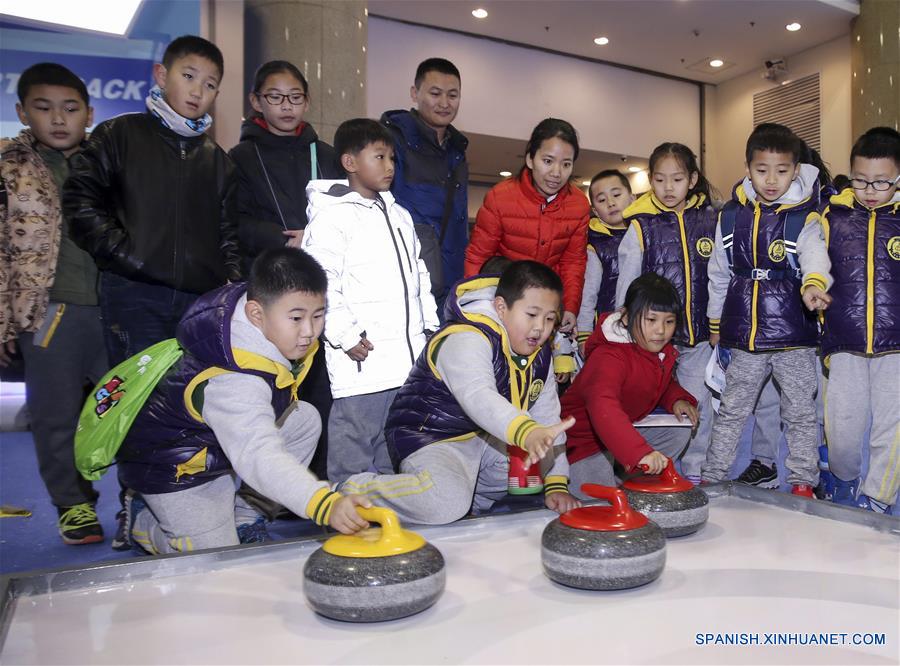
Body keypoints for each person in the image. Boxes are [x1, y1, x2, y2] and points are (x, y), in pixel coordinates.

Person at [63, 34, 241, 549]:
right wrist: (127, 255)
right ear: (161, 75)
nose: (198, 92)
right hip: (133, 295)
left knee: (191, 405)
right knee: (137, 407)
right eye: (189, 77)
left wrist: (226, 287)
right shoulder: (118, 135)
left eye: (210, 85)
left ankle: (190, 503)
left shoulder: (218, 160)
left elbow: (229, 238)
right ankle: (134, 506)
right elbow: (80, 201)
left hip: (198, 305)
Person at [116, 248, 372, 554]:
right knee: (215, 561)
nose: (309, 332)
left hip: (216, 444)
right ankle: (145, 522)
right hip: (173, 467)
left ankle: (246, 516)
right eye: (296, 318)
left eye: (318, 316)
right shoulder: (234, 379)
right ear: (255, 314)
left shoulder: (263, 316)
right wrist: (322, 503)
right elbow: (257, 453)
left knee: (303, 419)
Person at [339, 261, 581, 524]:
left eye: (549, 319)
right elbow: (479, 396)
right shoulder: (466, 337)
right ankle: (354, 489)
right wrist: (525, 431)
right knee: (444, 502)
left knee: (521, 467)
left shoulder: (540, 354)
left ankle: (470, 505)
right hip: (431, 438)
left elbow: (547, 418)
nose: (540, 328)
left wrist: (556, 483)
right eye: (531, 315)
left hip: (483, 438)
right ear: (501, 308)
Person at [0, 63, 108, 544]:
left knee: (126, 408)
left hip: (113, 307)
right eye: (44, 109)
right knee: (55, 414)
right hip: (47, 310)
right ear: (23, 112)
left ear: (89, 113)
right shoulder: (9, 166)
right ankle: (74, 504)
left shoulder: (108, 161)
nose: (58, 119)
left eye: (70, 109)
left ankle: (138, 496)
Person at [301, 118, 439, 485]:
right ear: (349, 162)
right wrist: (345, 336)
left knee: (394, 448)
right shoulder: (332, 217)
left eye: (392, 158)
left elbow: (419, 275)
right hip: (362, 358)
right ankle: (346, 520)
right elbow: (321, 281)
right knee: (353, 447)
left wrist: (429, 328)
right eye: (379, 157)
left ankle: (388, 519)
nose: (389, 166)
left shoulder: (400, 216)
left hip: (405, 361)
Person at [703, 123, 832, 496]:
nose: (771, 180)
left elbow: (814, 257)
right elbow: (719, 272)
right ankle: (712, 478)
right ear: (748, 168)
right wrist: (716, 323)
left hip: (794, 335)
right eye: (762, 170)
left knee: (800, 413)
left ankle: (803, 483)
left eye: (781, 171)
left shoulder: (803, 217)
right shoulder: (730, 217)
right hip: (745, 336)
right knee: (731, 411)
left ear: (795, 170)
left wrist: (813, 285)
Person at [228, 59, 339, 482]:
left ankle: (316, 481)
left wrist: (317, 234)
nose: (286, 107)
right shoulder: (239, 157)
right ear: (257, 101)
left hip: (319, 287)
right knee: (269, 385)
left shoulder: (326, 156)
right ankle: (264, 485)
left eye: (295, 98)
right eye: (275, 98)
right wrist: (280, 236)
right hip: (269, 286)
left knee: (319, 386)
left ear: (307, 101)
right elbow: (231, 221)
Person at [614, 143, 717, 484]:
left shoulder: (710, 220)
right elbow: (627, 281)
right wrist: (625, 322)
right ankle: (650, 467)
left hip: (699, 335)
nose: (668, 188)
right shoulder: (641, 225)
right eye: (660, 180)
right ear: (651, 181)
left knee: (695, 404)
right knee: (650, 405)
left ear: (692, 179)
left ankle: (695, 472)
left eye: (677, 179)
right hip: (653, 336)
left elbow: (720, 275)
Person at [820, 127, 900, 513]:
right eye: (861, 180)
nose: (870, 189)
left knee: (892, 430)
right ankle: (844, 479)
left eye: (882, 182)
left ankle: (878, 498)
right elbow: (811, 261)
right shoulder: (832, 217)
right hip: (845, 341)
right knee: (843, 432)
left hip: (896, 346)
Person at [562, 273, 698, 496]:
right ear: (625, 317)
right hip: (582, 441)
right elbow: (603, 406)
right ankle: (613, 470)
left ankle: (623, 472)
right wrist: (638, 453)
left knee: (677, 428)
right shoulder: (609, 356)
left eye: (669, 321)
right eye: (651, 320)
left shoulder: (656, 349)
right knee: (600, 503)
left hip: (620, 431)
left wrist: (676, 399)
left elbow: (658, 380)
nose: (661, 330)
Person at [464, 118, 591, 335]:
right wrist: (471, 304)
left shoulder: (578, 204)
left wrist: (570, 306)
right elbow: (478, 256)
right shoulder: (500, 197)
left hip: (546, 305)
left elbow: (573, 262)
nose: (556, 173)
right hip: (505, 301)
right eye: (548, 161)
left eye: (566, 164)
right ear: (531, 159)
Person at [382, 58, 468, 311]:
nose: (444, 103)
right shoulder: (391, 140)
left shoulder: (458, 150)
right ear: (414, 93)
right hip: (404, 284)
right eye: (435, 93)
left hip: (449, 285)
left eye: (452, 95)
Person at [576, 170, 635, 351]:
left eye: (616, 195)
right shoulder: (595, 245)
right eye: (601, 200)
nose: (611, 203)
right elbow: (588, 294)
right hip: (608, 329)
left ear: (633, 198)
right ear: (595, 210)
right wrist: (584, 333)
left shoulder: (646, 234)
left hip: (646, 326)